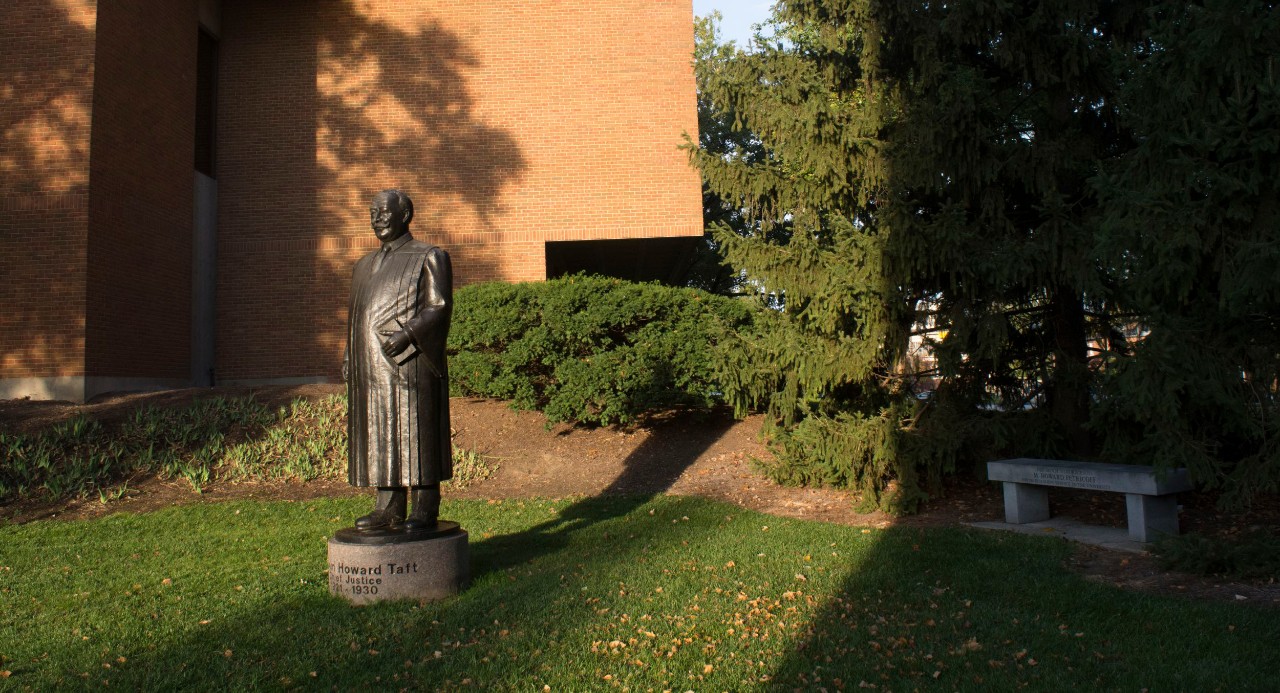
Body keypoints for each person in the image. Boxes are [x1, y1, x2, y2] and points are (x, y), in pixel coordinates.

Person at [343, 189, 452, 531]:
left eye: (384, 212)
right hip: (371, 367)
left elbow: (439, 307)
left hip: (410, 362)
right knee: (380, 430)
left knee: (416, 431)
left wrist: (407, 334)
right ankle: (388, 505)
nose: (377, 218)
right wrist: (350, 353)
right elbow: (356, 315)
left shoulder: (429, 256)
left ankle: (425, 505)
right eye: (372, 212)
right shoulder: (363, 265)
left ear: (404, 215)